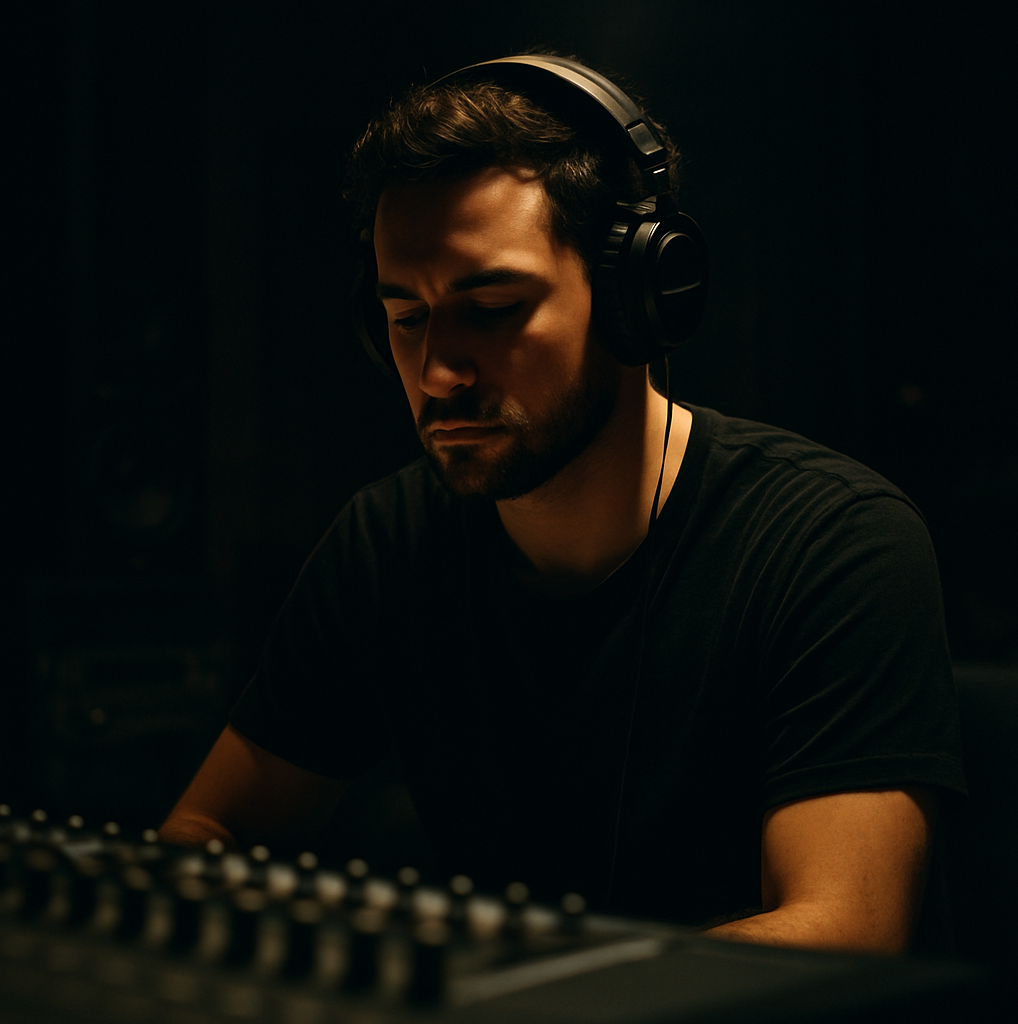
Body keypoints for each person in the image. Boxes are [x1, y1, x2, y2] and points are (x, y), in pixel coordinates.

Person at [160, 54, 966, 954]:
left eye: (494, 308)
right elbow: (209, 834)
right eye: (408, 317)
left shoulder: (833, 545)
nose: (438, 373)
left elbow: (848, 931)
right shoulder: (388, 542)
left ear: (635, 301)